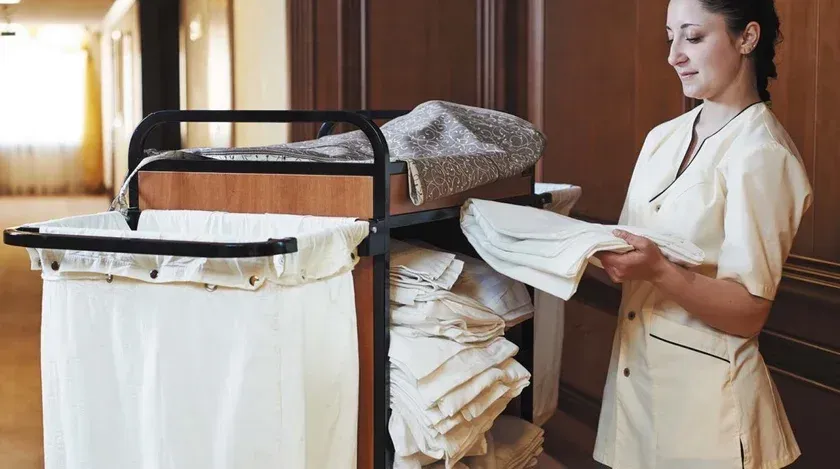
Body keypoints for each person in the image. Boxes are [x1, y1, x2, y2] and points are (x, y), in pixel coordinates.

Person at [589, 0, 812, 468]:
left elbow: (749, 312)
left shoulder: (762, 154)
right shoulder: (662, 138)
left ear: (747, 38)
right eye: (670, 37)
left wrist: (657, 270)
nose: (673, 55)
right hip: (636, 385)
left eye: (692, 37)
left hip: (710, 413)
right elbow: (628, 244)